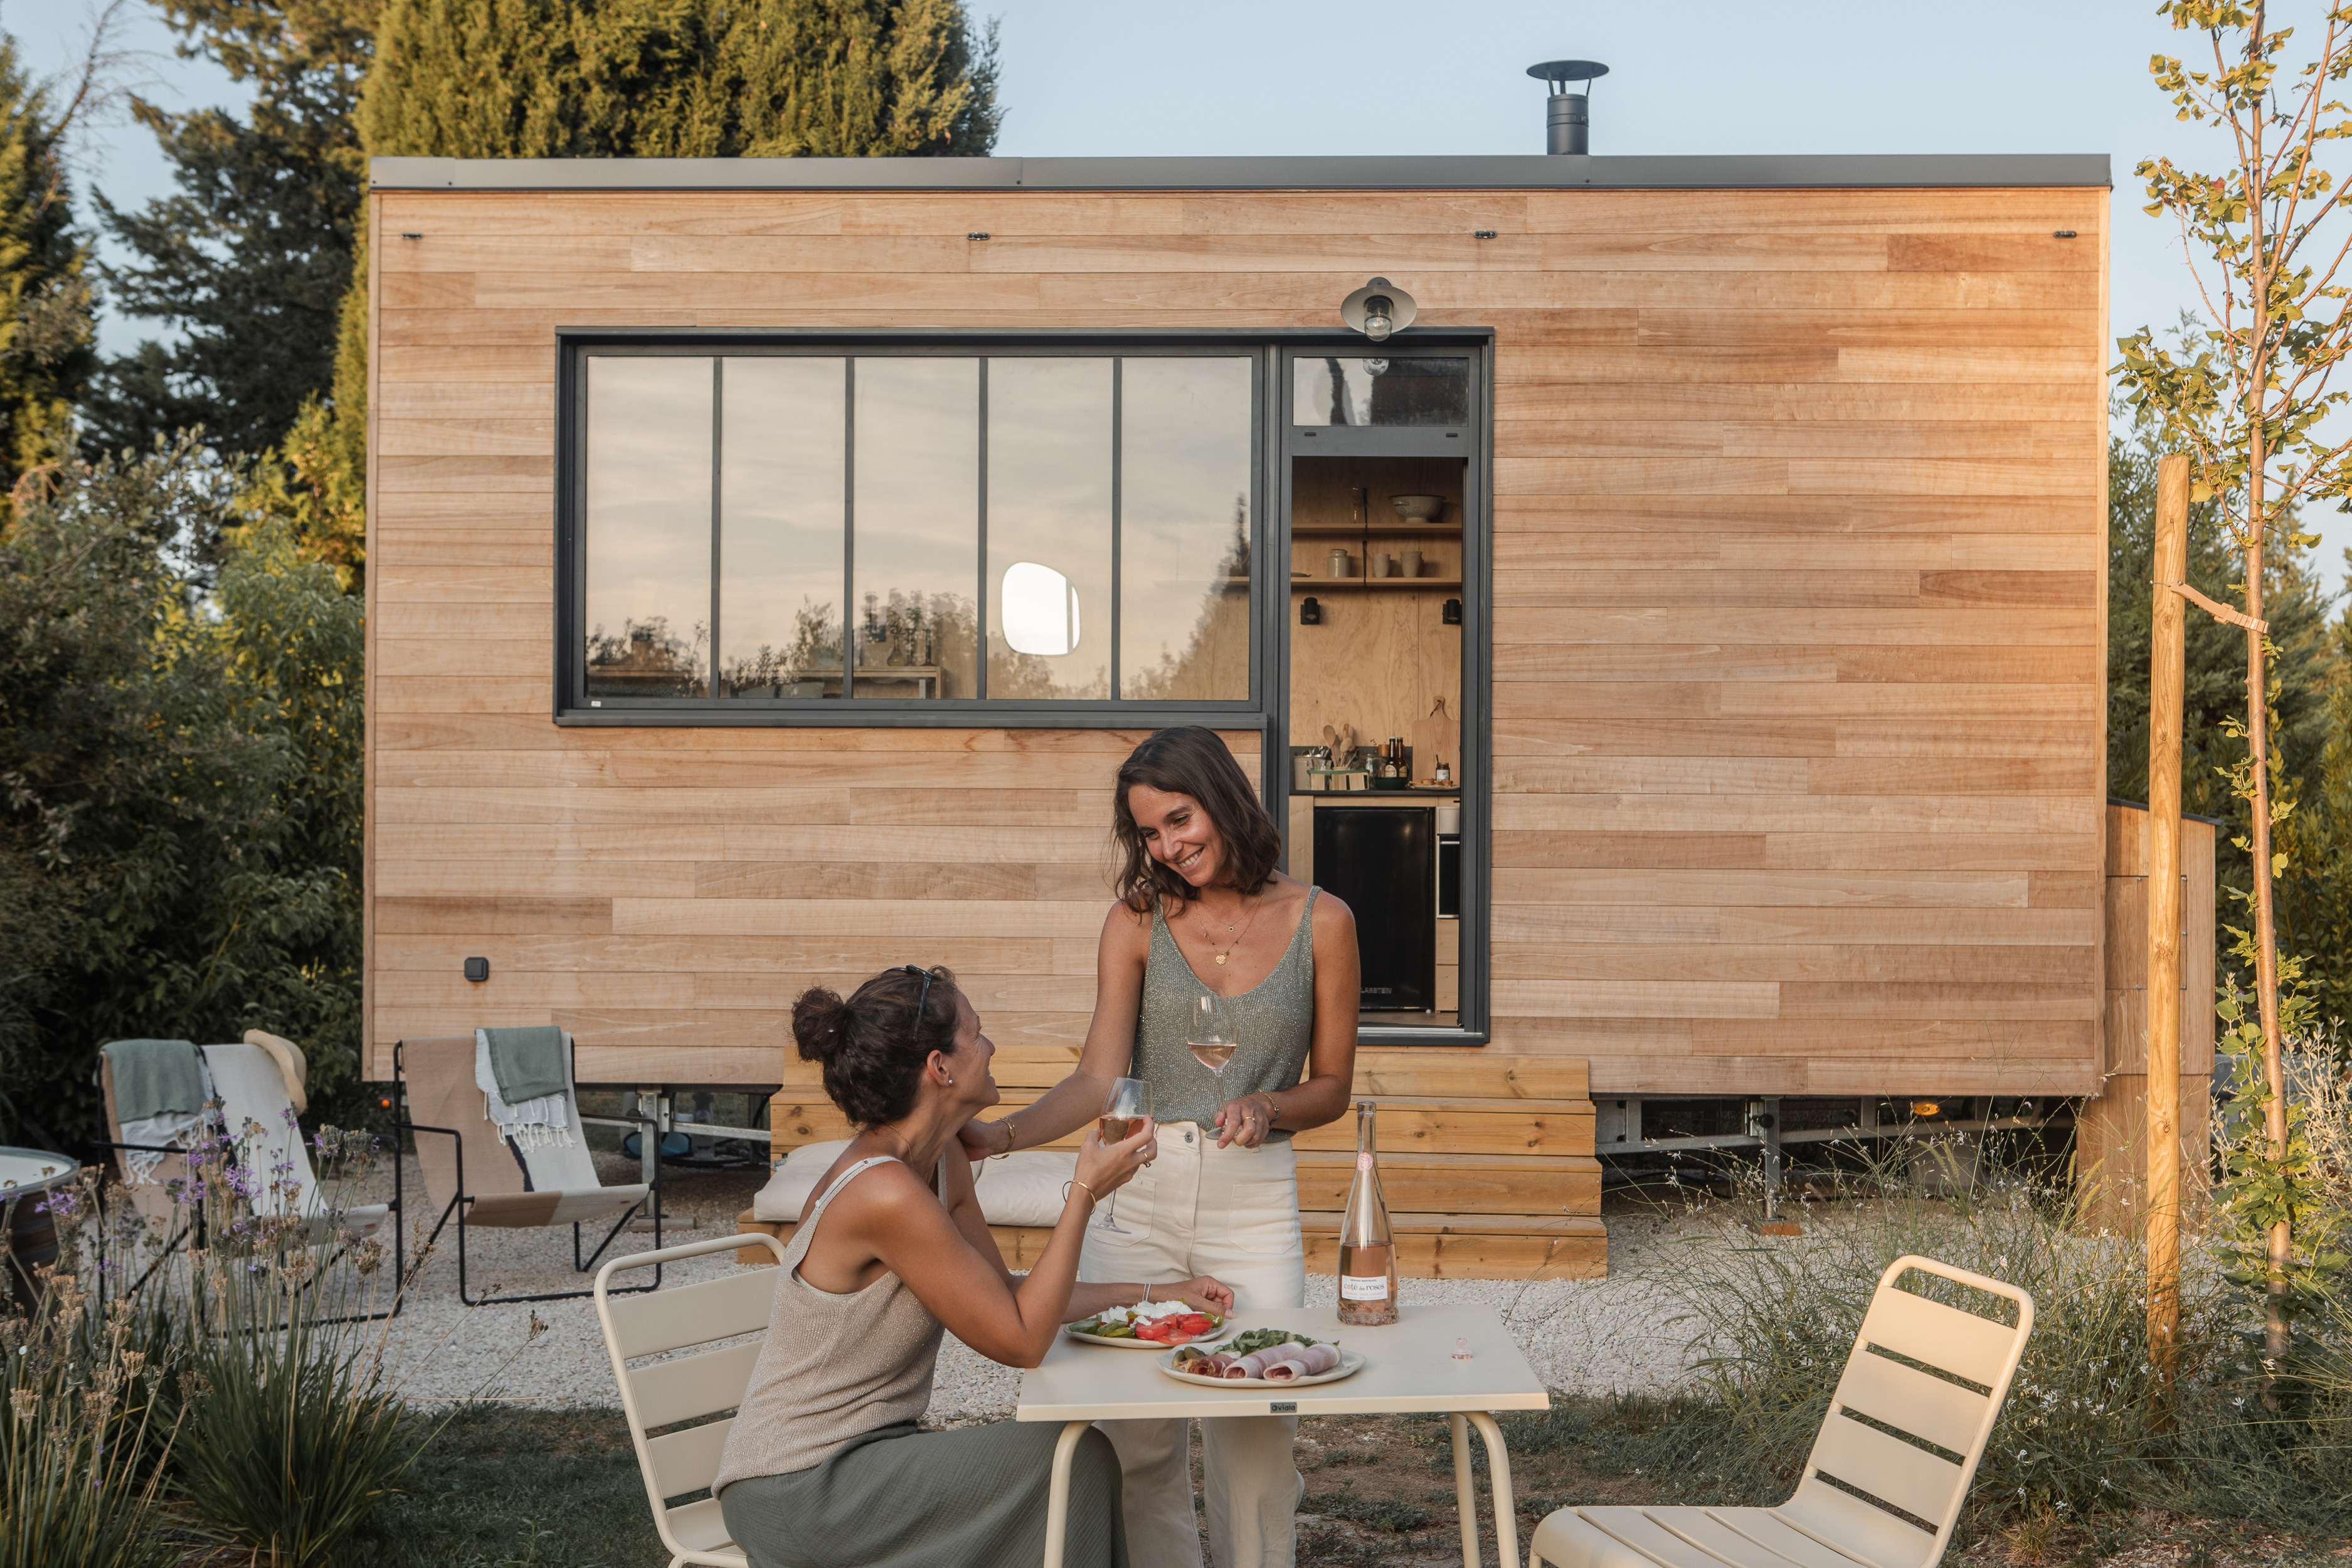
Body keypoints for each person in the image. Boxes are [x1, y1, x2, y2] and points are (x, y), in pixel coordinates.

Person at [960, 726, 1362, 1568]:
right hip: (1136, 1200)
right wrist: (995, 1137)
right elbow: (1096, 1082)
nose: (1169, 847)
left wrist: (1269, 1102)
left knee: (1254, 1444)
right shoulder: (1136, 921)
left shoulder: (1322, 922)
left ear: (1222, 800)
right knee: (1137, 1443)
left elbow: (1331, 1086)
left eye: (1179, 819)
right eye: (1148, 833)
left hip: (1253, 1206)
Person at [716, 963, 1236, 1568]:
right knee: (1073, 1461)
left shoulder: (939, 1161)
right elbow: (1021, 1342)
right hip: (800, 1485)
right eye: (978, 1033)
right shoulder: (883, 1193)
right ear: (940, 1067)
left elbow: (1013, 1297)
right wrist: (1084, 1195)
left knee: (1074, 1460)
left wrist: (1160, 1292)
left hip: (872, 1457)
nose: (990, 1048)